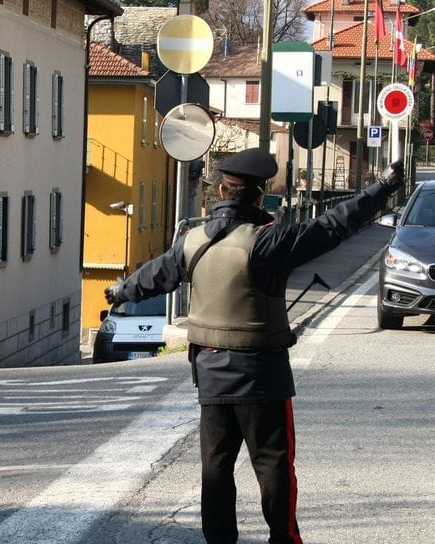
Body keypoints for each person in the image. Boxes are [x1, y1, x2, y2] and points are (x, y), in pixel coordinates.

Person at [104, 148, 405, 544]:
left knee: (215, 468)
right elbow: (333, 225)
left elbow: (153, 276)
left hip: (210, 374)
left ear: (221, 193)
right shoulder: (269, 240)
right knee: (273, 465)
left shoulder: (191, 242)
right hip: (263, 374)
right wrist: (381, 189)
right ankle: (282, 538)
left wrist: (118, 290)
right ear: (260, 196)